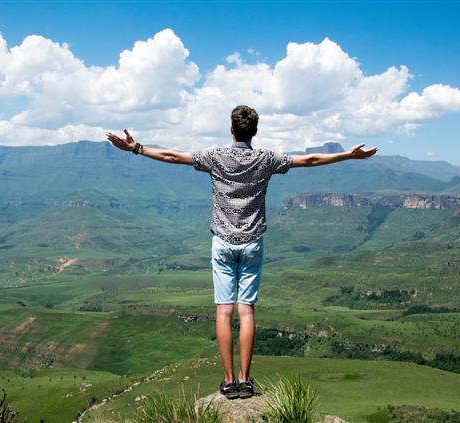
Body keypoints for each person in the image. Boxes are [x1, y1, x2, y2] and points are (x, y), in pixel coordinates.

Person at [106, 105, 378, 400]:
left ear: (231, 129)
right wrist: (348, 155)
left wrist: (136, 148)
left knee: (224, 311)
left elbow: (173, 156)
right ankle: (246, 382)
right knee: (246, 310)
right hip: (252, 243)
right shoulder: (266, 159)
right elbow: (309, 159)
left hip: (222, 242)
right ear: (255, 131)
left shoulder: (215, 157)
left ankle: (228, 381)